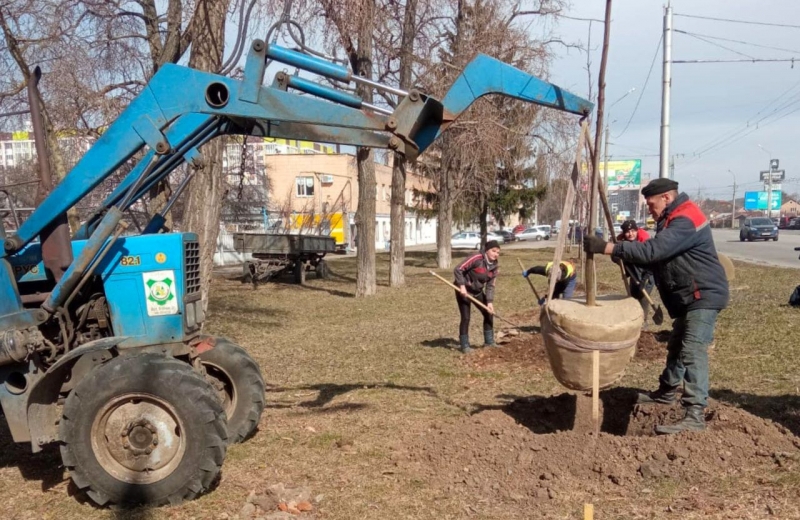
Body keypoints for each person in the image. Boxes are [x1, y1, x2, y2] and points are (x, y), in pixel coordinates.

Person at [583, 178, 729, 434]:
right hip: (689, 296)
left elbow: (655, 251)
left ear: (667, 198)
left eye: (651, 204)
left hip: (703, 294)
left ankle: (694, 414)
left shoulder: (686, 219)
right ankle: (666, 392)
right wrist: (636, 272)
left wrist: (609, 247)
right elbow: (661, 260)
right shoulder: (672, 219)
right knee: (677, 345)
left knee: (692, 350)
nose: (649, 209)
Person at [453, 239, 501, 354]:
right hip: (464, 290)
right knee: (466, 317)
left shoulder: (494, 267)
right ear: (487, 250)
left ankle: (489, 342)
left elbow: (490, 286)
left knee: (488, 312)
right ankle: (464, 346)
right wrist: (462, 286)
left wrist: (489, 302)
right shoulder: (476, 258)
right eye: (494, 251)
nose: (496, 254)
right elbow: (458, 269)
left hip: (477, 291)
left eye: (498, 252)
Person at [617, 220, 655, 323]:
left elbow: (653, 260)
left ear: (637, 230)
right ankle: (633, 321)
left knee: (643, 298)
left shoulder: (644, 240)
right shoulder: (622, 241)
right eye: (628, 232)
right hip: (635, 273)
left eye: (633, 231)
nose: (630, 234)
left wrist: (646, 276)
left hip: (648, 273)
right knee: (633, 297)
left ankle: (643, 322)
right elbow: (616, 253)